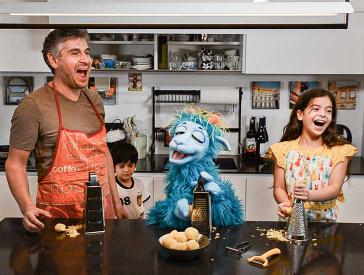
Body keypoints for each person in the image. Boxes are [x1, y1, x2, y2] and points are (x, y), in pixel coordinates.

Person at [5, 29, 128, 233]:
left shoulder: (94, 100)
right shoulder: (33, 106)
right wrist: (26, 206)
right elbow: (15, 163)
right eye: (75, 53)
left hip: (102, 214)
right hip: (58, 221)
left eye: (87, 52)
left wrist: (116, 204)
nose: (86, 60)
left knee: (103, 265)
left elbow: (102, 152)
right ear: (53, 60)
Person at [268, 88, 357, 222]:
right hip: (292, 222)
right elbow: (279, 188)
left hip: (325, 226)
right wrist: (286, 204)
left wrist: (308, 194)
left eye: (328, 111)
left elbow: (334, 189)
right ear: (300, 114)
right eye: (316, 109)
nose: (323, 114)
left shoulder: (339, 151)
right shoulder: (282, 150)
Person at [111, 142, 150, 219]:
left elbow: (144, 205)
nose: (126, 170)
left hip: (138, 223)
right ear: (114, 167)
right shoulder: (112, 187)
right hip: (120, 225)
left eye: (130, 165)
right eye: (122, 166)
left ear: (135, 165)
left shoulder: (139, 183)